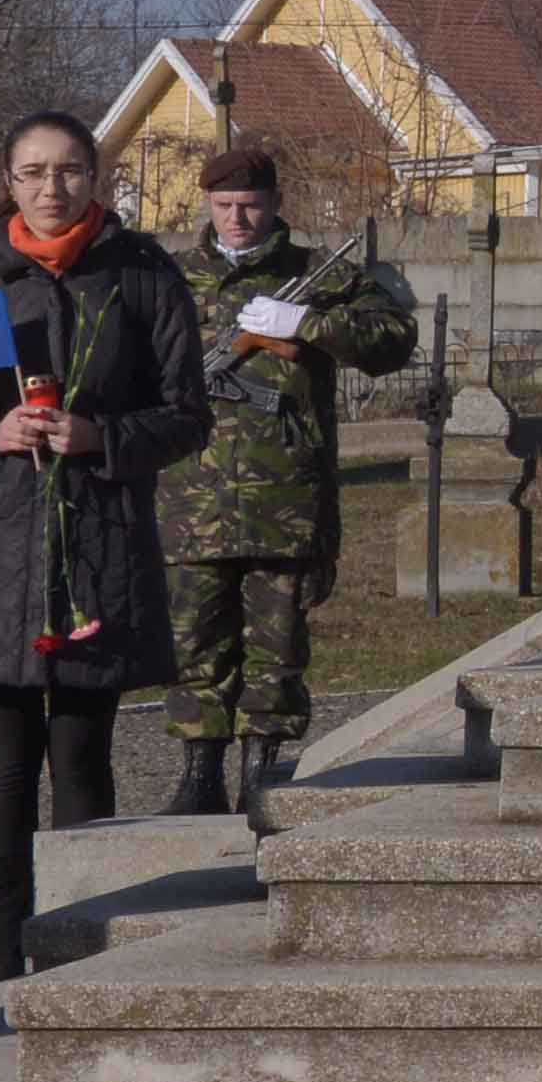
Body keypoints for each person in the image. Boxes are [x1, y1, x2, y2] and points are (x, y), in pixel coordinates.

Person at [0, 114, 207, 978]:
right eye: (33, 171)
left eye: (69, 170)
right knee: (4, 763)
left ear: (95, 176)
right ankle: (4, 954)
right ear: (8, 176)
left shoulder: (140, 275)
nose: (51, 187)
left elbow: (187, 414)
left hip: (98, 547)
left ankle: (76, 943)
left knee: (82, 754)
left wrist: (99, 437)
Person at [152, 145, 420, 820]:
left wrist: (307, 324)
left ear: (275, 205)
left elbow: (392, 338)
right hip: (189, 498)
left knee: (277, 646)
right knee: (193, 643)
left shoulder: (313, 276)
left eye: (250, 205)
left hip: (287, 498)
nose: (237, 219)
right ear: (204, 207)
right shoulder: (173, 278)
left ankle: (263, 774)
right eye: (222, 207)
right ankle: (197, 775)